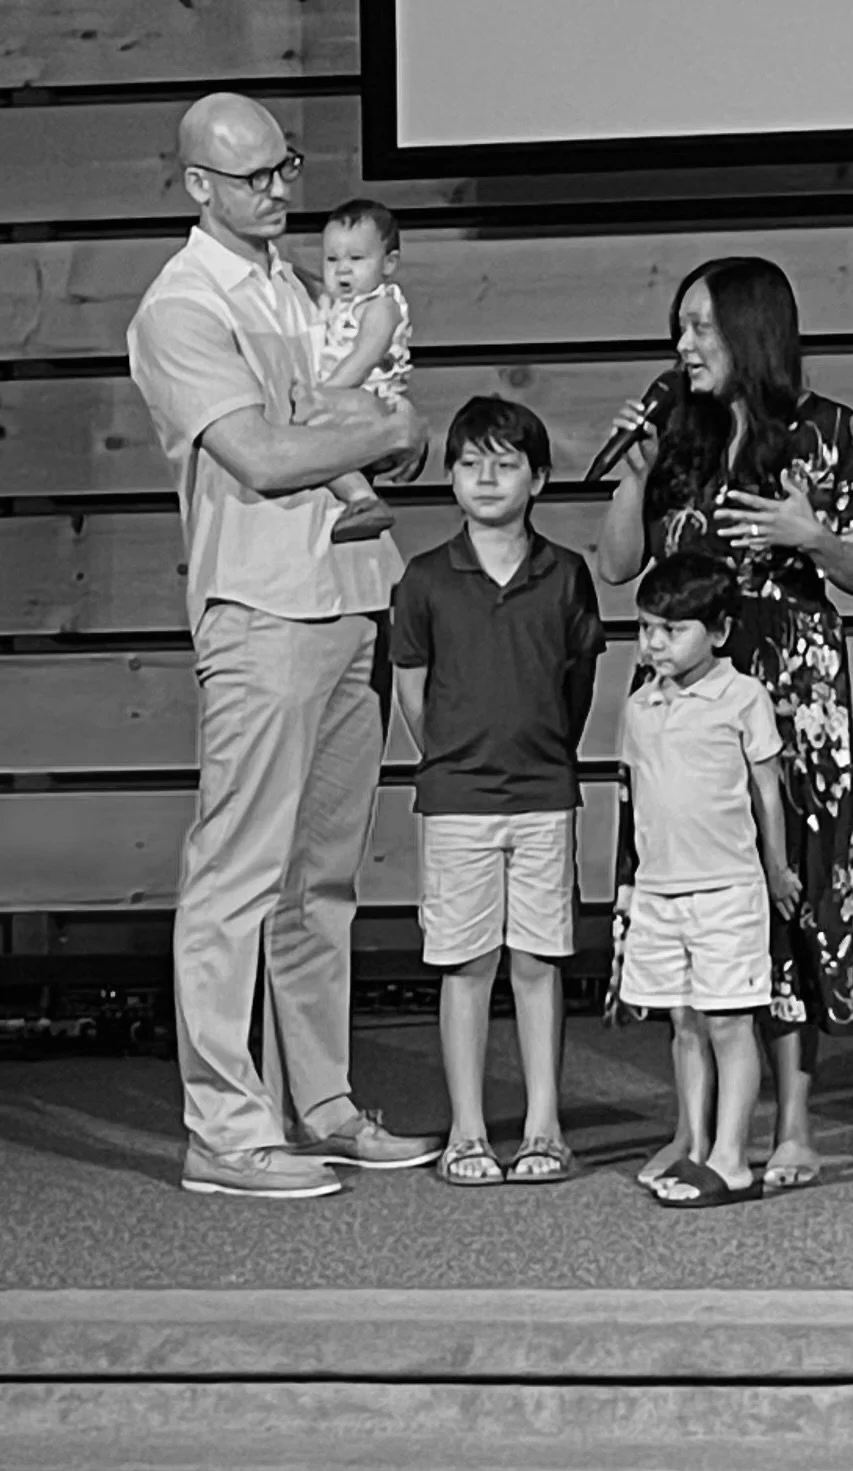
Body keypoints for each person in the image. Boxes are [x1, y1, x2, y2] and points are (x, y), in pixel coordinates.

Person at [127, 91, 441, 1199]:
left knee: (322, 882)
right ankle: (222, 1126)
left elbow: (358, 424)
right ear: (197, 186)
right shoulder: (182, 305)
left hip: (347, 594)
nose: (278, 190)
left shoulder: (291, 283)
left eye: (283, 167)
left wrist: (370, 431)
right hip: (259, 609)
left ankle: (320, 1103)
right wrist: (375, 429)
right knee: (237, 874)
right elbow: (262, 456)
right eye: (253, 175)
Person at [597, 256, 853, 1194]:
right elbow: (616, 566)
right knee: (684, 887)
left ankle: (793, 1126)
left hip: (790, 693)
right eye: (678, 328)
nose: (683, 347)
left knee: (785, 888)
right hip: (682, 705)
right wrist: (633, 475)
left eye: (701, 328)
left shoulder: (828, 431)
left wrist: (813, 537)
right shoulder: (677, 437)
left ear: (752, 332)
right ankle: (694, 1129)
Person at [391, 396, 606, 1186]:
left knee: (539, 962)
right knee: (465, 963)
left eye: (505, 461)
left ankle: (545, 1127)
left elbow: (576, 680)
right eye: (470, 462)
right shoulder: (422, 580)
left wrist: (544, 753)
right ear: (448, 476)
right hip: (454, 802)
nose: (486, 476)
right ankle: (469, 1132)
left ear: (539, 478)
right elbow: (411, 689)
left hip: (545, 794)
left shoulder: (566, 575)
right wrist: (451, 759)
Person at [617, 551, 800, 1208]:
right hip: (662, 889)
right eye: (645, 629)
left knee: (728, 1022)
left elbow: (766, 791)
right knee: (684, 1023)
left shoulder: (741, 695)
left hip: (725, 887)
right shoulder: (639, 705)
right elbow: (637, 797)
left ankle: (731, 1157)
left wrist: (776, 868)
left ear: (718, 631)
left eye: (673, 629)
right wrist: (632, 884)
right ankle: (693, 1145)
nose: (655, 643)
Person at [317, 198, 414, 545]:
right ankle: (360, 497)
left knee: (319, 434)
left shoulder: (381, 306)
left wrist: (323, 395)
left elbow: (365, 355)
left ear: (389, 263)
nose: (343, 270)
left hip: (369, 399)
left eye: (356, 259)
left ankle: (362, 499)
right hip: (346, 396)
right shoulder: (337, 304)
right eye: (332, 259)